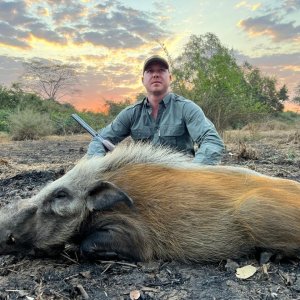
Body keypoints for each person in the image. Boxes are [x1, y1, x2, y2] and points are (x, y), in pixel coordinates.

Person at [87, 55, 225, 164]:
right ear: (143, 80)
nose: (155, 75)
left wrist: (195, 172)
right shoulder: (131, 113)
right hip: (144, 181)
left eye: (161, 71)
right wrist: (97, 165)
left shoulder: (186, 108)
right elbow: (99, 140)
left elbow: (212, 141)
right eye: (150, 71)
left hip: (181, 179)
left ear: (170, 78)